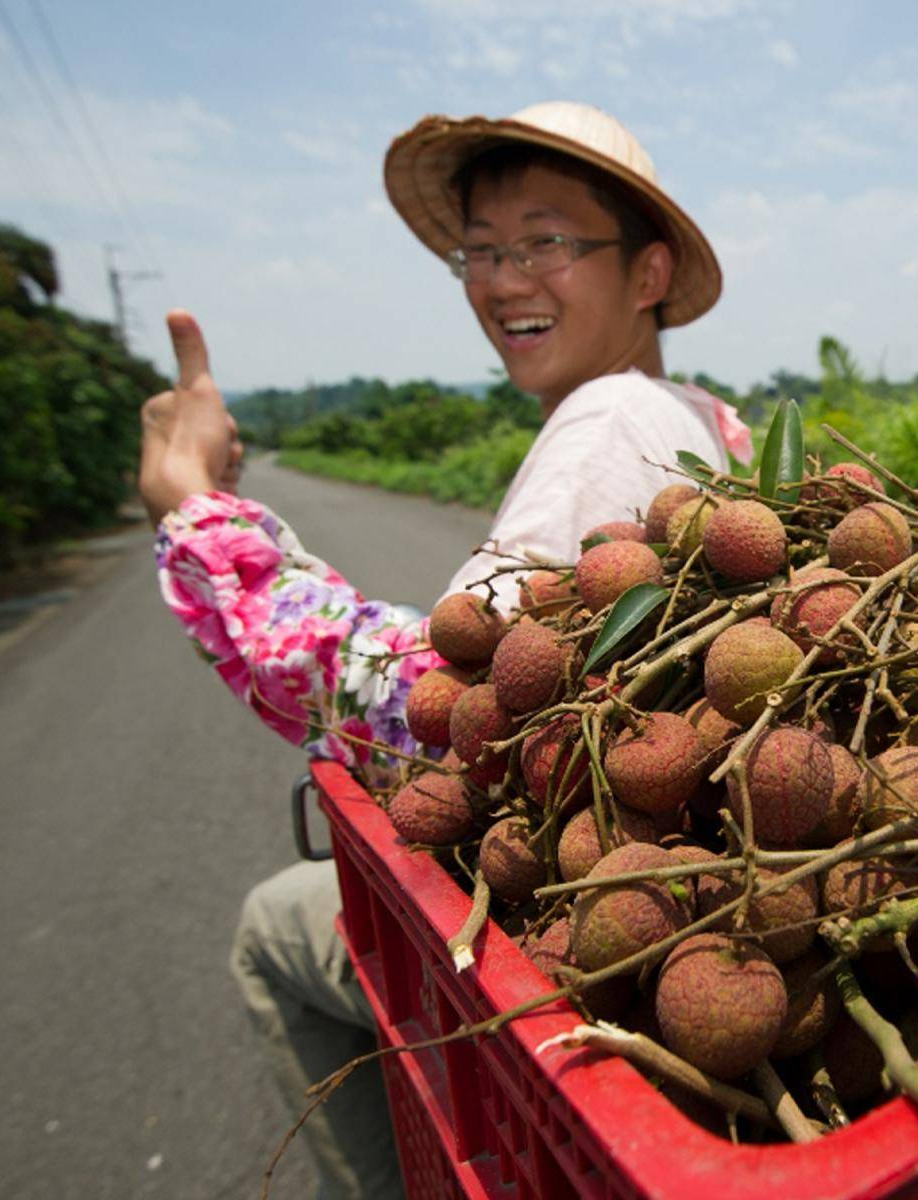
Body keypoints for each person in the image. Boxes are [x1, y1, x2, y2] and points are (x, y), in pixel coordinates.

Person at [138, 101, 748, 1198]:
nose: (506, 278)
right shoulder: (705, 417)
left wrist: (199, 514)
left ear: (648, 272)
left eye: (549, 241)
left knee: (272, 929)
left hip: (588, 915)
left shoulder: (607, 422)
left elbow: (438, 705)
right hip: (651, 875)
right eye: (482, 249)